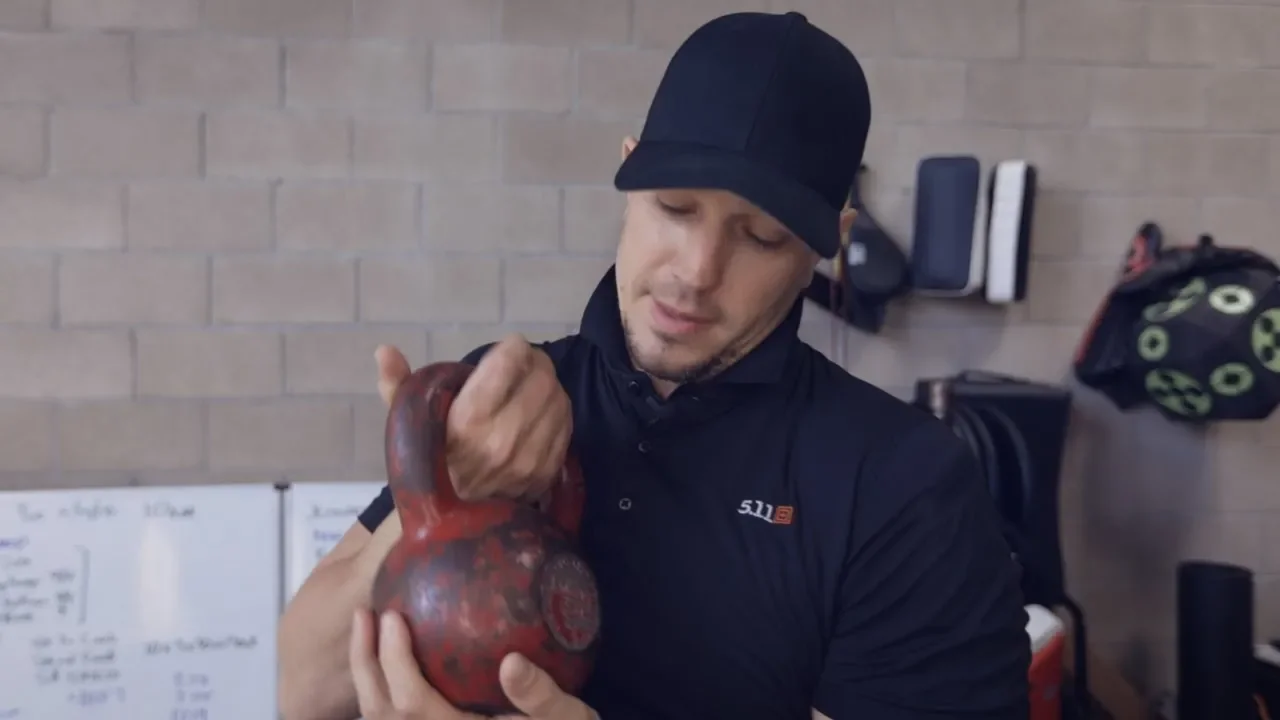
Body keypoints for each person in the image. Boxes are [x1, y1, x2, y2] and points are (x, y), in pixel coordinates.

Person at [278, 11, 1031, 720]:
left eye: (761, 237)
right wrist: (440, 502)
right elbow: (303, 694)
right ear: (630, 174)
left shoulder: (905, 486)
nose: (697, 272)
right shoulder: (507, 404)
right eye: (675, 206)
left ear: (827, 243)